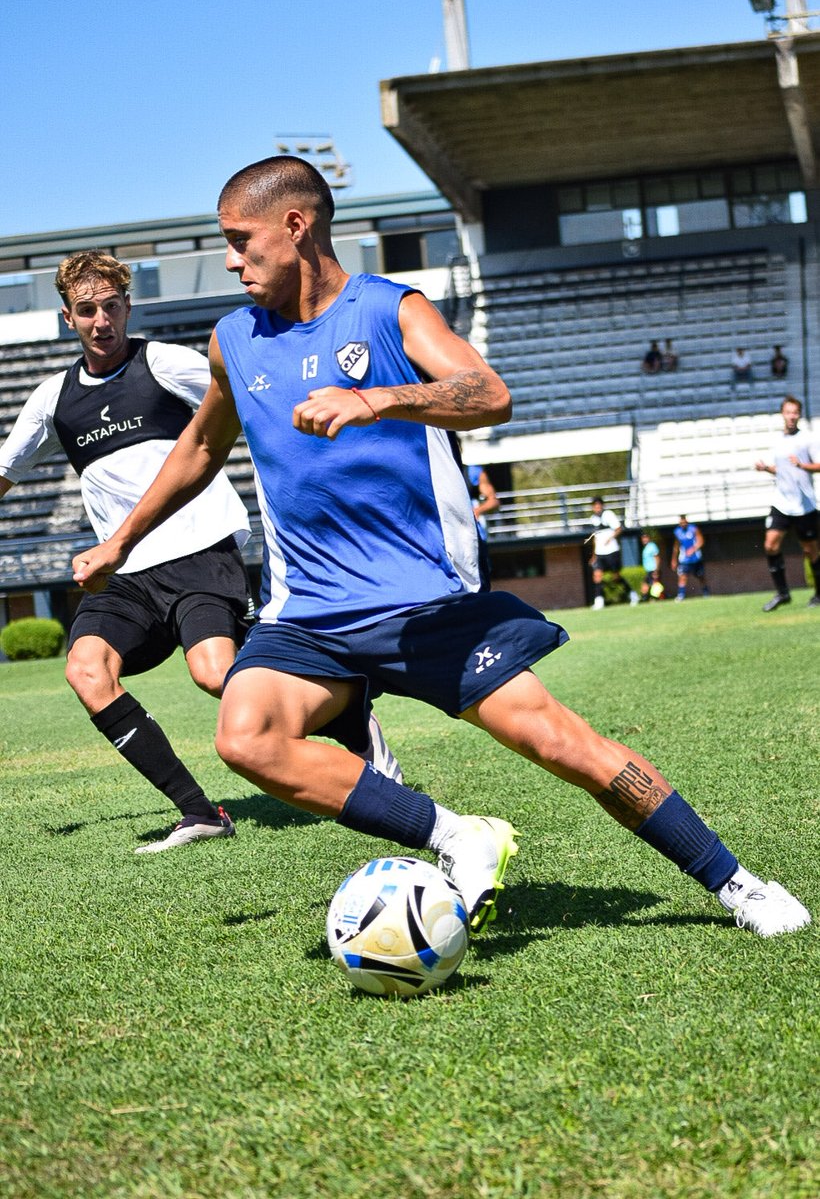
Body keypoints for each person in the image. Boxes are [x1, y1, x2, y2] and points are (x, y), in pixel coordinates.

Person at [72, 155, 809, 939]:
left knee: (565, 746)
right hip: (310, 616)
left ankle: (737, 885)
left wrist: (378, 398)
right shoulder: (234, 341)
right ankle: (455, 836)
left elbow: (489, 392)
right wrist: (122, 540)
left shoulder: (392, 310)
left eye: (238, 240)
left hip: (424, 604)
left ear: (296, 226)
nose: (228, 260)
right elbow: (196, 449)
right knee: (247, 737)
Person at [0, 250, 401, 854]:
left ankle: (350, 714)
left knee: (215, 673)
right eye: (87, 311)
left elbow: (247, 392)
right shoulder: (52, 399)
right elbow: (5, 470)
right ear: (67, 318)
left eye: (112, 307)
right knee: (86, 670)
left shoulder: (162, 364)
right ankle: (200, 811)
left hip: (197, 550)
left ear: (128, 306)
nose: (102, 321)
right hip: (124, 570)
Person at [754, 395, 820, 611]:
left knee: (811, 551)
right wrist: (766, 468)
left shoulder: (807, 439)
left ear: (799, 414)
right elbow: (781, 469)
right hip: (782, 502)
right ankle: (782, 593)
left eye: (795, 412)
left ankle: (819, 594)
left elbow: (818, 465)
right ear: (782, 414)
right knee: (770, 545)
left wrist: (802, 465)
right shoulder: (777, 441)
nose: (791, 416)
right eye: (788, 412)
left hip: (805, 504)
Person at [587, 497, 638, 609]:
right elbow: (595, 538)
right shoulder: (593, 519)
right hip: (600, 552)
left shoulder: (608, 515)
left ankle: (632, 594)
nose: (597, 507)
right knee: (597, 576)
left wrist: (610, 538)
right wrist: (594, 555)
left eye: (599, 505)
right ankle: (599, 601)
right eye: (595, 505)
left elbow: (619, 529)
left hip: (612, 550)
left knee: (616, 577)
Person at [670, 516, 711, 601]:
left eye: (684, 522)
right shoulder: (677, 532)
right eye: (681, 523)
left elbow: (701, 541)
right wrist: (674, 559)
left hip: (696, 558)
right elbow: (676, 546)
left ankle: (706, 593)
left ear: (687, 521)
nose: (683, 524)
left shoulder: (693, 529)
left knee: (701, 576)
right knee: (682, 576)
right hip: (684, 559)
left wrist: (693, 549)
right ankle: (681, 595)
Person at [639, 531, 663, 601]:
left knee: (654, 586)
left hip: (653, 570)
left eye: (646, 538)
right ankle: (646, 599)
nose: (644, 539)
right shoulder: (645, 547)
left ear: (649, 538)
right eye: (643, 538)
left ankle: (656, 599)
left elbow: (657, 558)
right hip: (648, 570)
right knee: (646, 585)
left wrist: (656, 570)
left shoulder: (652, 546)